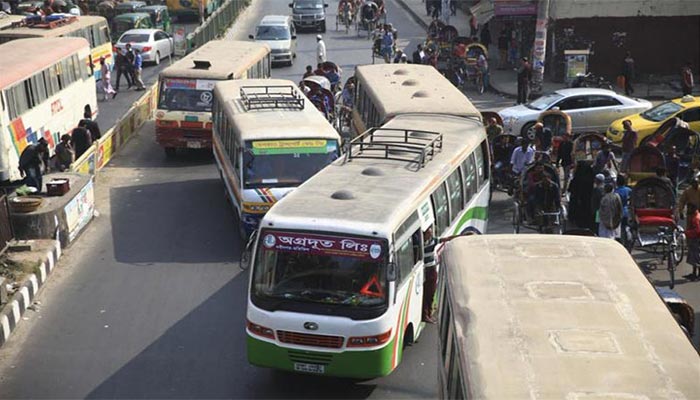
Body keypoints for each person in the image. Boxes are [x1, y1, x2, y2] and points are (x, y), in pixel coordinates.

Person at [421, 227, 437, 323]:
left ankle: (429, 313)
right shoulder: (420, 244)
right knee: (425, 294)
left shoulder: (432, 241)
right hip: (425, 271)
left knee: (431, 293)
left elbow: (446, 239)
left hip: (432, 270)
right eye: (428, 233)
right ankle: (425, 315)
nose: (430, 235)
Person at [684, 203, 700, 281]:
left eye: (689, 209)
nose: (688, 210)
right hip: (695, 239)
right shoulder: (697, 216)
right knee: (694, 258)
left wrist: (687, 232)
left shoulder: (696, 218)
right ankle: (694, 273)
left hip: (696, 239)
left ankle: (698, 275)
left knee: (696, 257)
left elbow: (697, 231)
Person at [615, 174, 632, 245]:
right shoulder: (629, 190)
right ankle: (628, 240)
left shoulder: (615, 191)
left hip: (618, 212)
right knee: (626, 227)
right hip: (627, 211)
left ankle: (622, 242)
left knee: (620, 228)